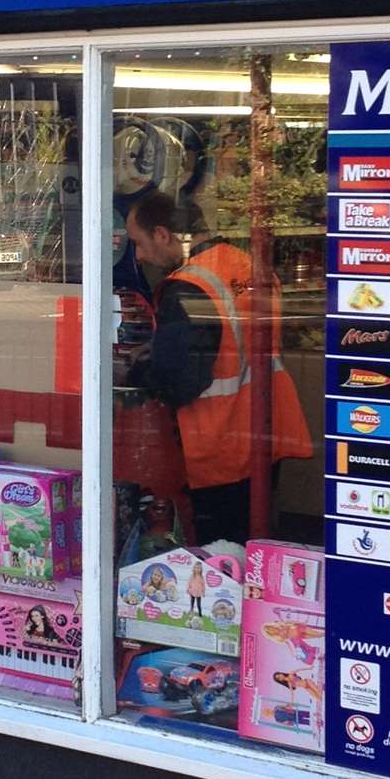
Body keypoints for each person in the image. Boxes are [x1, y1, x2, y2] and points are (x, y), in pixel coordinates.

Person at [121, 190, 312, 545]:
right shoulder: (249, 265)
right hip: (266, 433)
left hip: (221, 445)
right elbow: (234, 344)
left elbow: (180, 378)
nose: (140, 255)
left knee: (221, 557)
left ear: (163, 234)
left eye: (139, 243)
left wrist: (137, 374)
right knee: (255, 545)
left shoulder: (187, 287)